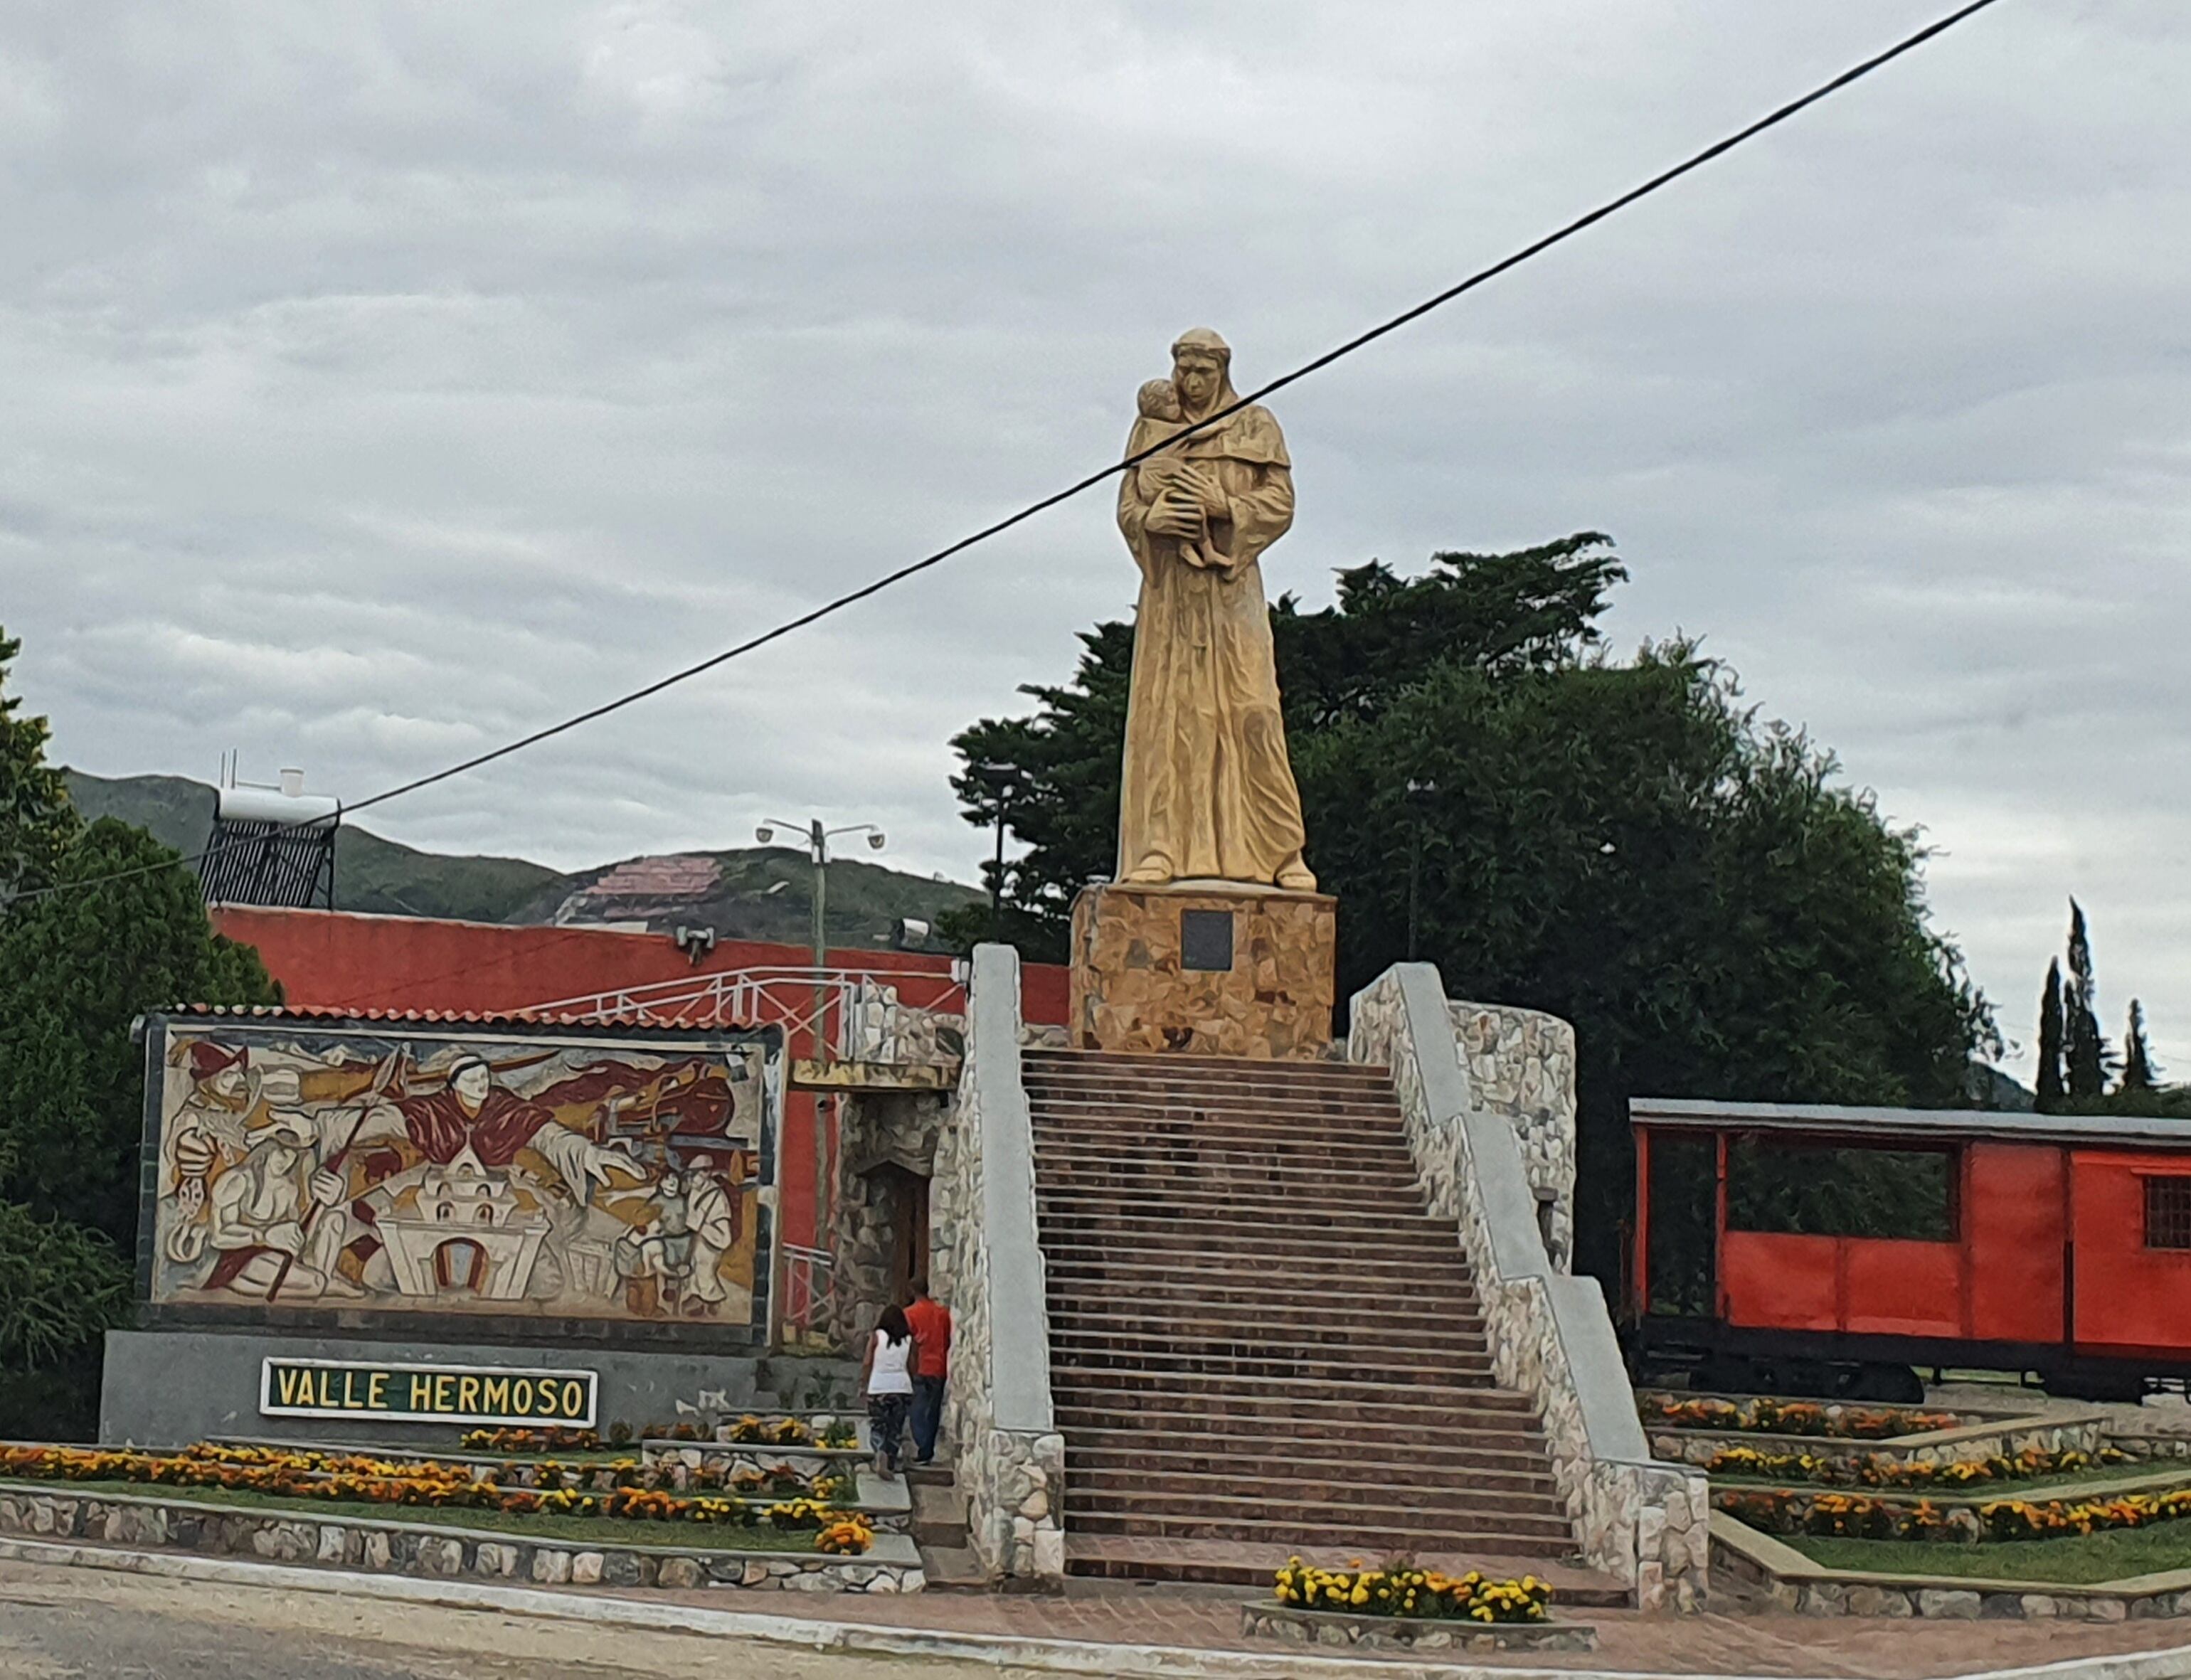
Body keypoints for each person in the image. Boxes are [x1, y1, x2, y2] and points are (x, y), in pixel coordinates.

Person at [861, 1304, 916, 1475]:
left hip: (878, 1387)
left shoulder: (876, 1337)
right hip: (901, 1388)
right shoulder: (909, 1339)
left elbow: (867, 1361)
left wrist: (863, 1383)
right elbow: (913, 1365)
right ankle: (890, 1462)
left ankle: (879, 1453)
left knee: (878, 1425)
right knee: (895, 1428)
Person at [903, 1277, 952, 1467]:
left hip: (921, 1367)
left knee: (917, 1411)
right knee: (933, 1412)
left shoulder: (910, 1314)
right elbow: (947, 1339)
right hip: (939, 1367)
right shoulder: (942, 1313)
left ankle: (923, 1448)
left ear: (912, 1291)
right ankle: (927, 1450)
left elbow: (907, 1343)